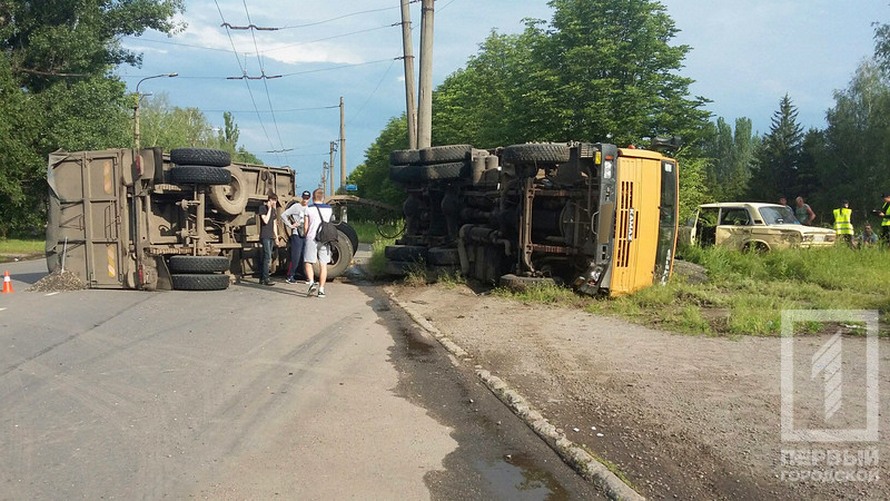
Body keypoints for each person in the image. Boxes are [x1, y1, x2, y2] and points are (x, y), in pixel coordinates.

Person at [303, 189, 334, 298]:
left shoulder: (309, 209)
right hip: (325, 239)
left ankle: (311, 282)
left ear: (312, 197)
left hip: (312, 238)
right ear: (323, 197)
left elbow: (306, 226)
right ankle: (321, 290)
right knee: (323, 265)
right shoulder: (329, 209)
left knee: (308, 262)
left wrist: (305, 235)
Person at [280, 190, 311, 284]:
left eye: (307, 198)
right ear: (302, 197)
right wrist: (290, 225)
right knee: (296, 256)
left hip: (305, 234)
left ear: (309, 199)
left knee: (304, 256)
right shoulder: (296, 207)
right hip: (297, 233)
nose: (305, 200)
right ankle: (290, 275)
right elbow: (283, 215)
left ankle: (303, 275)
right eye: (304, 198)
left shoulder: (309, 208)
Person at [258, 193, 280, 285]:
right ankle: (266, 278)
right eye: (273, 200)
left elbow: (274, 224)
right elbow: (266, 220)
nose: (274, 202)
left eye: (275, 201)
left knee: (266, 256)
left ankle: (262, 278)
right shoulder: (262, 208)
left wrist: (276, 237)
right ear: (269, 200)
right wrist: (270, 209)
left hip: (271, 236)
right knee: (267, 256)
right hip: (265, 235)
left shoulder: (274, 211)